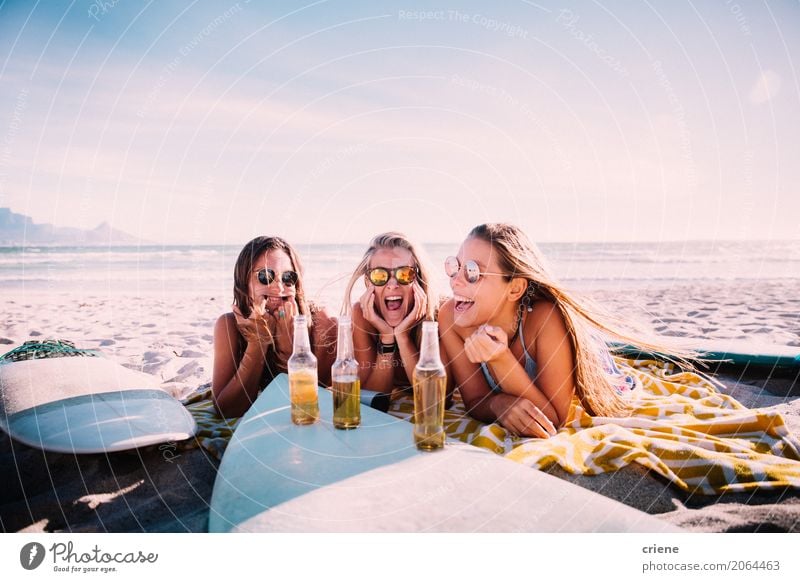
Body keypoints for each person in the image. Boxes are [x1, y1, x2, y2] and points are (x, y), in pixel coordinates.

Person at [439, 223, 688, 439]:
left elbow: (554, 420)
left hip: (594, 360)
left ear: (515, 289)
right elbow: (475, 400)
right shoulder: (451, 317)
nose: (455, 280)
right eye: (455, 266)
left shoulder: (546, 319)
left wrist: (500, 359)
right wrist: (499, 403)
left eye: (472, 272)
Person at [212, 236, 337, 417]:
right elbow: (227, 410)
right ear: (244, 282)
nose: (279, 287)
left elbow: (310, 404)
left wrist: (289, 348)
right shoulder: (229, 325)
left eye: (288, 277)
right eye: (265, 276)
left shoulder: (322, 321)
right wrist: (257, 343)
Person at [341, 232, 440, 393]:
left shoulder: (438, 314)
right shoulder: (362, 314)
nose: (392, 284)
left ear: (419, 279)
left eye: (405, 274)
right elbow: (372, 396)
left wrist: (402, 337)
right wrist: (387, 338)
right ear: (368, 281)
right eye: (380, 275)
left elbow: (434, 396)